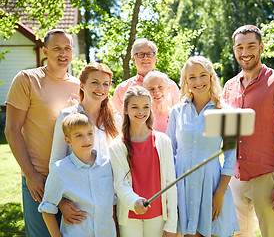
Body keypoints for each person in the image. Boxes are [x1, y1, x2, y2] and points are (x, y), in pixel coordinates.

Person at [222, 25, 274, 237]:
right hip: (235, 176)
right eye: (239, 47)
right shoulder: (229, 86)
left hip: (265, 176)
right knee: (237, 234)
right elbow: (228, 132)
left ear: (261, 47)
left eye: (251, 46)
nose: (245, 53)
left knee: (271, 234)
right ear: (234, 49)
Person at [4, 29, 80, 237]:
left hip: (73, 178)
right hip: (39, 178)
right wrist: (30, 174)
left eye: (67, 48)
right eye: (57, 48)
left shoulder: (79, 86)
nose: (63, 53)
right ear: (45, 51)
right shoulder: (27, 79)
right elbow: (11, 129)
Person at [166, 56, 239, 237]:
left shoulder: (225, 112)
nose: (198, 81)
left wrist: (219, 194)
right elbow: (170, 153)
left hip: (212, 185)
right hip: (182, 186)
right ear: (185, 81)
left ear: (211, 77)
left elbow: (230, 157)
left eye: (202, 75)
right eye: (192, 77)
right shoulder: (177, 112)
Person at [49, 62, 121, 225]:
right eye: (95, 82)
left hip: (112, 201)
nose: (100, 88)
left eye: (105, 84)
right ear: (82, 85)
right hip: (78, 203)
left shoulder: (116, 119)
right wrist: (61, 202)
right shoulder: (67, 115)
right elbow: (55, 162)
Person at [109, 86, 177, 237]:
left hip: (158, 215)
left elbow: (170, 183)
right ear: (125, 109)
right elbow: (120, 185)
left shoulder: (163, 141)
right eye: (135, 107)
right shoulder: (117, 145)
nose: (141, 112)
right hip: (130, 215)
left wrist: (172, 224)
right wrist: (135, 202)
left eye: (146, 107)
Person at [38, 112, 116, 236]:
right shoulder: (60, 170)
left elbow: (113, 203)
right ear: (68, 141)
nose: (86, 139)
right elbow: (47, 208)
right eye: (79, 135)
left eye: (90, 133)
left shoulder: (107, 165)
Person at [111, 38, 179, 114]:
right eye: (140, 54)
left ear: (155, 58)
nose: (145, 58)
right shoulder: (122, 89)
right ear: (134, 59)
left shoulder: (171, 86)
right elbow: (115, 120)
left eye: (149, 54)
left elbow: (179, 117)